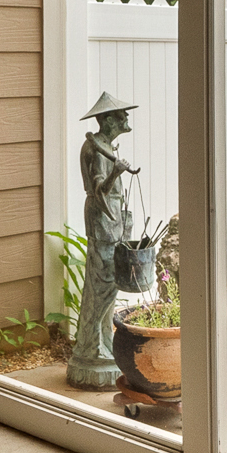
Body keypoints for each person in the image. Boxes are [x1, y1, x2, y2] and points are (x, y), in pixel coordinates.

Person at [71, 91, 142, 390]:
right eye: (121, 115)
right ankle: (90, 345)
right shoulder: (95, 149)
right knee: (103, 282)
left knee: (110, 285)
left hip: (113, 223)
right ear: (107, 120)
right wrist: (115, 173)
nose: (126, 118)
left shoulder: (105, 146)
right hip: (102, 224)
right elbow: (98, 190)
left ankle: (100, 341)